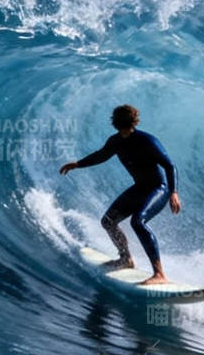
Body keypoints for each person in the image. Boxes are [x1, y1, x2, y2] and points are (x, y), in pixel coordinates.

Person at [59, 104, 182, 285]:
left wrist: (173, 192)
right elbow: (101, 155)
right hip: (140, 187)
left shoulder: (147, 140)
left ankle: (159, 274)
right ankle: (126, 259)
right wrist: (78, 164)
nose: (121, 125)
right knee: (108, 221)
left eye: (123, 122)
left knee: (137, 222)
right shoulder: (115, 141)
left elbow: (170, 166)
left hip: (158, 188)